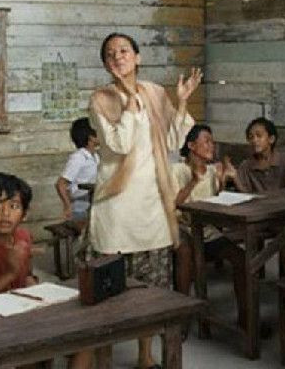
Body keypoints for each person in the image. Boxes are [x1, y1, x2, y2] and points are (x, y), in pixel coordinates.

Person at [87, 32, 201, 369]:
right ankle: (104, 357)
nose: (118, 56)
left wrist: (180, 102)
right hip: (116, 207)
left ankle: (145, 355)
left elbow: (173, 140)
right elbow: (119, 145)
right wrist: (130, 106)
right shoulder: (100, 99)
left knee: (151, 288)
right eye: (111, 53)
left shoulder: (153, 92)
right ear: (107, 65)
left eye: (124, 50)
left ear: (137, 57)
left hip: (152, 205)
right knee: (106, 289)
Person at [171, 124, 249, 314]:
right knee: (185, 253)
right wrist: (194, 181)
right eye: (206, 141)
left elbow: (218, 204)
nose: (211, 146)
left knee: (242, 259)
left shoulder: (213, 171)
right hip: (183, 228)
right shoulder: (177, 169)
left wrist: (223, 180)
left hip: (208, 231)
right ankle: (181, 316)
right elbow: (174, 204)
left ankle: (246, 317)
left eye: (212, 142)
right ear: (191, 145)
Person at [230, 117, 285, 193]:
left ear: (271, 139)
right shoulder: (246, 166)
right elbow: (245, 195)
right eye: (251, 137)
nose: (254, 140)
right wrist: (235, 177)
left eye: (259, 136)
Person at [55, 118, 99, 222]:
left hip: (93, 202)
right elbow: (60, 184)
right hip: (81, 205)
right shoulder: (78, 157)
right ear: (91, 137)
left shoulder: (95, 156)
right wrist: (68, 206)